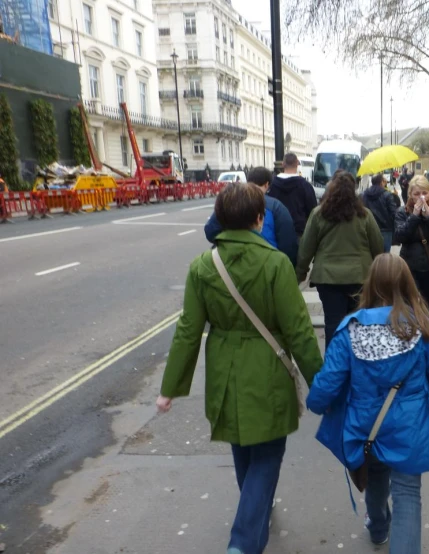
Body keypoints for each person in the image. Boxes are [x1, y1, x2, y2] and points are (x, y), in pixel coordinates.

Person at [156, 183, 323, 554]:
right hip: (267, 370)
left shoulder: (203, 266)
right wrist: (322, 386)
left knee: (243, 452)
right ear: (259, 219)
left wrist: (168, 389)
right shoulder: (276, 264)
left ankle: (256, 518)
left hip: (224, 374)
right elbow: (298, 332)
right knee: (266, 456)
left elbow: (188, 330)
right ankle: (243, 544)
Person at [305, 253, 429, 552]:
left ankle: (377, 528)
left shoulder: (351, 330)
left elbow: (326, 385)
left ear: (370, 285)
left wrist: (317, 403)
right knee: (408, 493)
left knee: (375, 480)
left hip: (367, 427)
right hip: (410, 428)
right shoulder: (422, 326)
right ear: (408, 285)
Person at [296, 170, 385, 348]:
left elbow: (306, 248)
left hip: (327, 278)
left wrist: (300, 273)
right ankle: (358, 363)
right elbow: (378, 247)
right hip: (359, 277)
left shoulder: (318, 214)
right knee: (358, 323)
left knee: (333, 324)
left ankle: (334, 367)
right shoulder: (365, 215)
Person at [204, 166, 298, 266]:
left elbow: (210, 231)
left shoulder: (229, 201)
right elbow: (288, 244)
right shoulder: (276, 207)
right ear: (267, 184)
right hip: (266, 264)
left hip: (228, 262)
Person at [395, 175, 429, 311]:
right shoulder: (402, 212)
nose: (421, 197)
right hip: (410, 266)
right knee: (409, 305)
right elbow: (399, 236)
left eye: (424, 193)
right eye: (417, 194)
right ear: (410, 195)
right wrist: (414, 216)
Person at [267, 152, 318, 236]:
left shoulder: (272, 185)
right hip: (299, 230)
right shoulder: (305, 186)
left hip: (276, 229)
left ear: (283, 164)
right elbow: (312, 211)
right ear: (297, 163)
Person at [362, 173, 398, 253]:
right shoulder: (387, 195)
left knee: (371, 254)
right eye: (385, 181)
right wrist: (396, 197)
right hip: (385, 229)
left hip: (369, 229)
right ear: (381, 182)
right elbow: (394, 213)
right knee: (385, 256)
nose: (385, 183)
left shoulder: (364, 194)